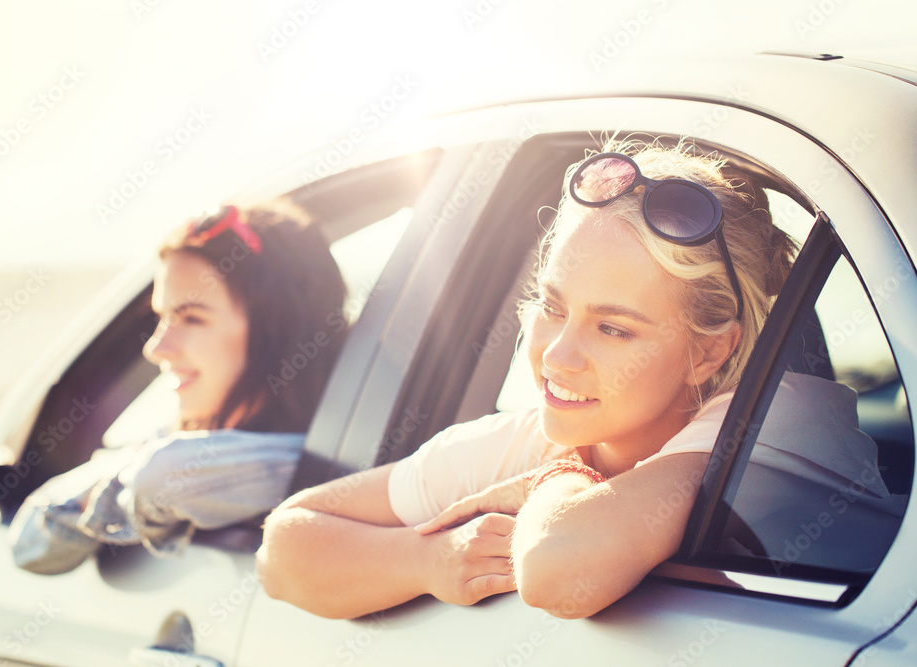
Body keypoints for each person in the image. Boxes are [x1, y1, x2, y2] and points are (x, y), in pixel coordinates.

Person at [257, 140, 892, 619]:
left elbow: (560, 573)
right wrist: (430, 560)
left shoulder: (781, 421)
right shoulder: (525, 435)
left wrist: (557, 475)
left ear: (709, 353)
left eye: (614, 329)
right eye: (553, 308)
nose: (558, 357)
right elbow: (284, 549)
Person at [10, 201, 347, 574]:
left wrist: (123, 482)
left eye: (192, 318)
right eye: (162, 317)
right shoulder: (175, 439)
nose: (155, 348)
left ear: (279, 332)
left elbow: (167, 474)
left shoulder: (344, 462)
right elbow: (31, 539)